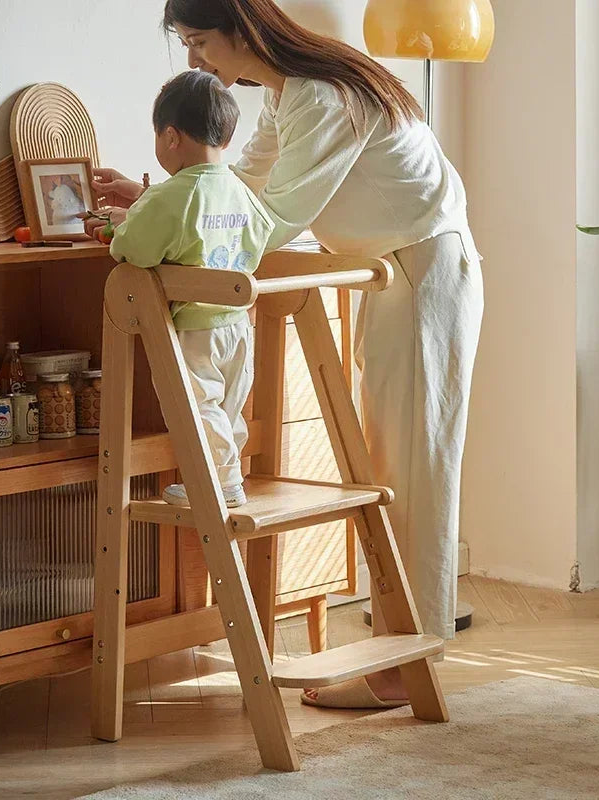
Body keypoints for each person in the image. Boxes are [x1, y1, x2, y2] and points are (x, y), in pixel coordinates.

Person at [83, 0, 484, 709]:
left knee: (414, 465)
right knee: (395, 457)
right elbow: (238, 193)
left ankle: (406, 664)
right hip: (396, 267)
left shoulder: (324, 96)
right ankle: (404, 650)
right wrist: (155, 198)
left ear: (242, 31)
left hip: (425, 269)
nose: (195, 61)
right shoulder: (285, 98)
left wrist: (155, 219)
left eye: (200, 42)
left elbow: (273, 219)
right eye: (186, 44)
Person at [104, 69, 274, 509]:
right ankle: (226, 473)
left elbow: (133, 248)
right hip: (238, 324)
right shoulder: (238, 188)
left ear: (172, 137)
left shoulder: (173, 195)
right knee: (226, 409)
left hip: (195, 327)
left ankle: (219, 484)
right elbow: (261, 235)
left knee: (196, 406)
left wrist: (114, 232)